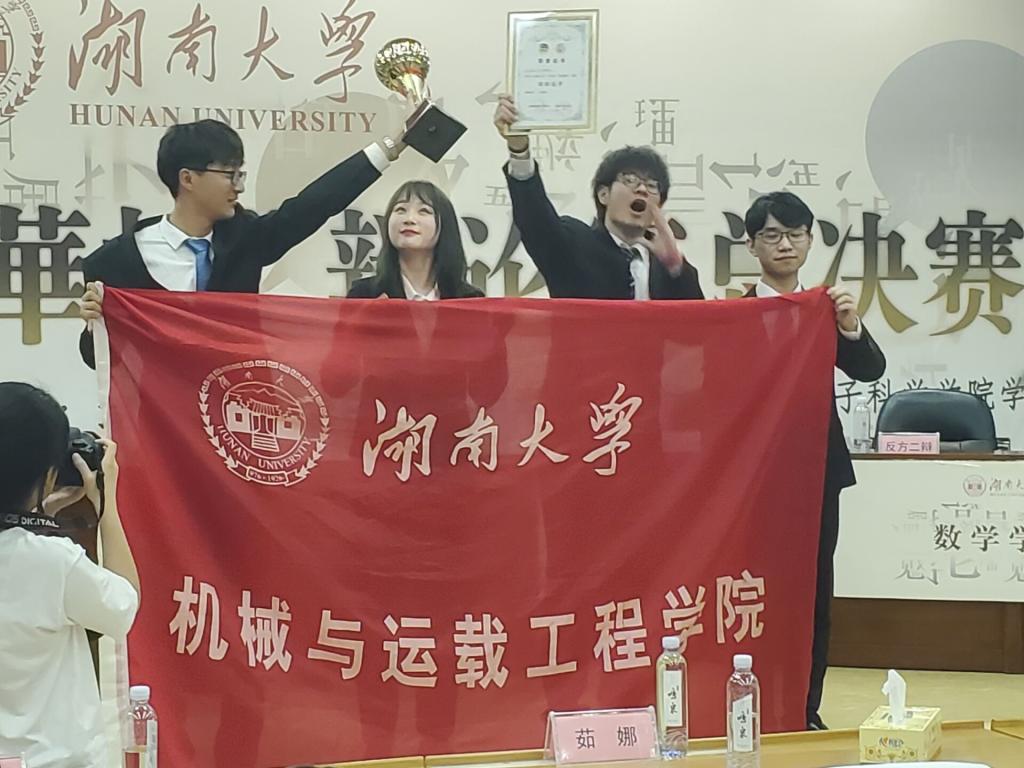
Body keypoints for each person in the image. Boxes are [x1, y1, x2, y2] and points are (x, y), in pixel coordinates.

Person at [78, 118, 412, 367]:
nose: (238, 187)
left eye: (241, 174)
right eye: (229, 174)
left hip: (237, 410)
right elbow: (100, 359)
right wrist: (94, 327)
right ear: (187, 178)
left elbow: (312, 206)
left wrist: (387, 150)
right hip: (160, 422)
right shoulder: (114, 262)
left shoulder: (245, 239)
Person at [742, 191, 886, 730]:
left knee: (813, 592)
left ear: (808, 241)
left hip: (817, 472)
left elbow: (870, 369)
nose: (785, 244)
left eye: (796, 234)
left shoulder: (825, 307)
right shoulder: (735, 314)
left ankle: (805, 709)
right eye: (772, 235)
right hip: (752, 476)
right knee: (749, 590)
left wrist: (849, 324)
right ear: (752, 245)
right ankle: (749, 701)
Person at [0, 382, 140, 767]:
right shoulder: (54, 562)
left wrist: (40, 513)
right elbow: (123, 606)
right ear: (49, 475)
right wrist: (107, 506)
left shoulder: (43, 559)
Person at [492, 95, 703, 300]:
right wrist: (519, 149)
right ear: (604, 194)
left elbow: (699, 319)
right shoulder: (574, 244)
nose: (641, 189)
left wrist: (675, 266)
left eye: (651, 186)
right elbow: (535, 220)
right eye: (630, 180)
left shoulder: (670, 268)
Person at [347, 181, 483, 299]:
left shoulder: (469, 298)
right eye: (400, 209)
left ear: (445, 225)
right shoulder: (364, 295)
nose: (409, 219)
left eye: (424, 211)